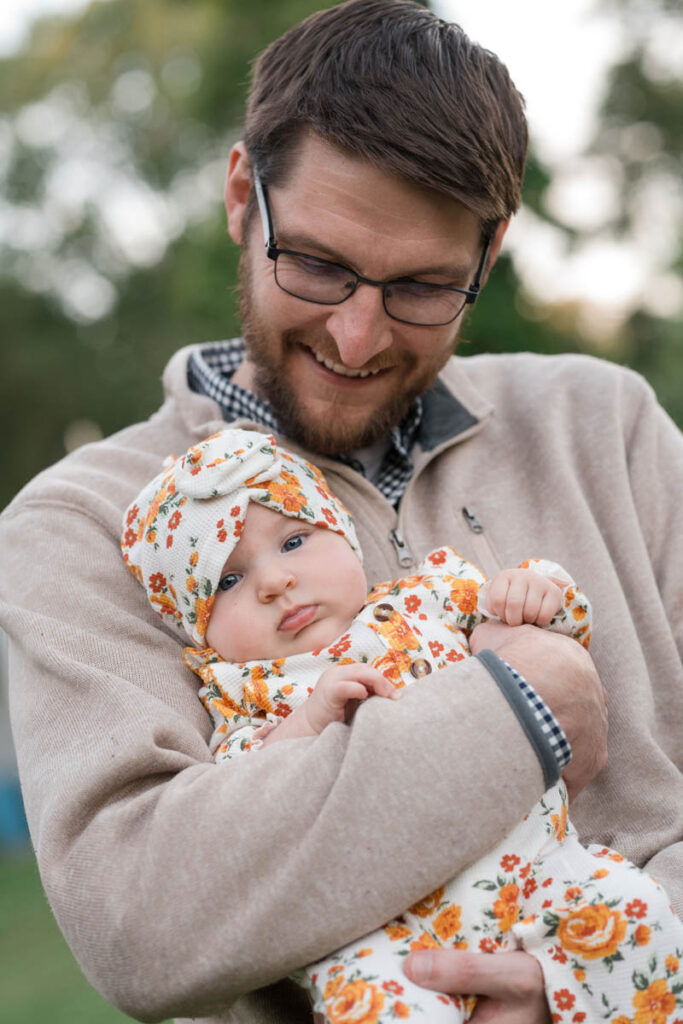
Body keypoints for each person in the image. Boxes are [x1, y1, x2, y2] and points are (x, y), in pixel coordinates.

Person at [0, 1, 681, 1021]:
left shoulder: (606, 427)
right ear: (243, 196)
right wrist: (516, 708)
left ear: (487, 255)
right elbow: (140, 915)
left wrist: (616, 976)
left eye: (419, 287)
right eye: (314, 262)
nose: (357, 336)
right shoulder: (81, 525)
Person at [121, 425, 683, 1023]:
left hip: (537, 866)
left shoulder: (427, 599)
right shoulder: (245, 694)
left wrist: (531, 595)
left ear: (341, 533)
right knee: (374, 1007)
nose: (274, 582)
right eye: (227, 581)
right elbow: (240, 796)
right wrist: (308, 721)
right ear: (198, 630)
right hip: (380, 932)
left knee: (637, 921)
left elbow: (556, 639)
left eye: (294, 541)